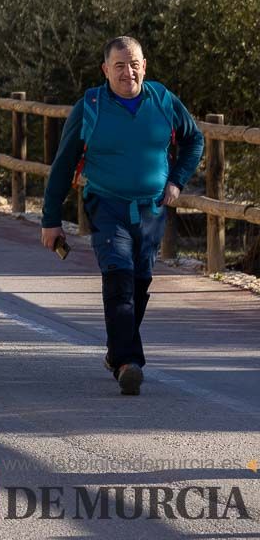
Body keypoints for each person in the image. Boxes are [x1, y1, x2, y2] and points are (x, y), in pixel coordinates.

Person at [41, 36, 203, 396]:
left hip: (151, 209)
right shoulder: (92, 106)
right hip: (107, 205)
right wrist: (50, 219)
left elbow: (195, 141)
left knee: (140, 283)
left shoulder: (163, 100)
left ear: (144, 66)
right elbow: (64, 162)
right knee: (118, 276)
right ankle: (130, 363)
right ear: (105, 70)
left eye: (133, 64)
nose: (127, 72)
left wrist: (177, 181)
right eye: (119, 65)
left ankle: (117, 352)